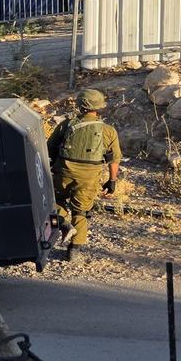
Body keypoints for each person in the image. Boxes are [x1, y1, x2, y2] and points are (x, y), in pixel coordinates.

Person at [46, 89, 120, 262]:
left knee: (55, 202)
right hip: (89, 178)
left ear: (80, 105)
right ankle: (74, 250)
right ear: (99, 107)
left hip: (63, 173)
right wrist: (112, 181)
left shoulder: (66, 125)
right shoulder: (108, 131)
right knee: (82, 211)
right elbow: (114, 159)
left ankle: (62, 223)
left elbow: (49, 148)